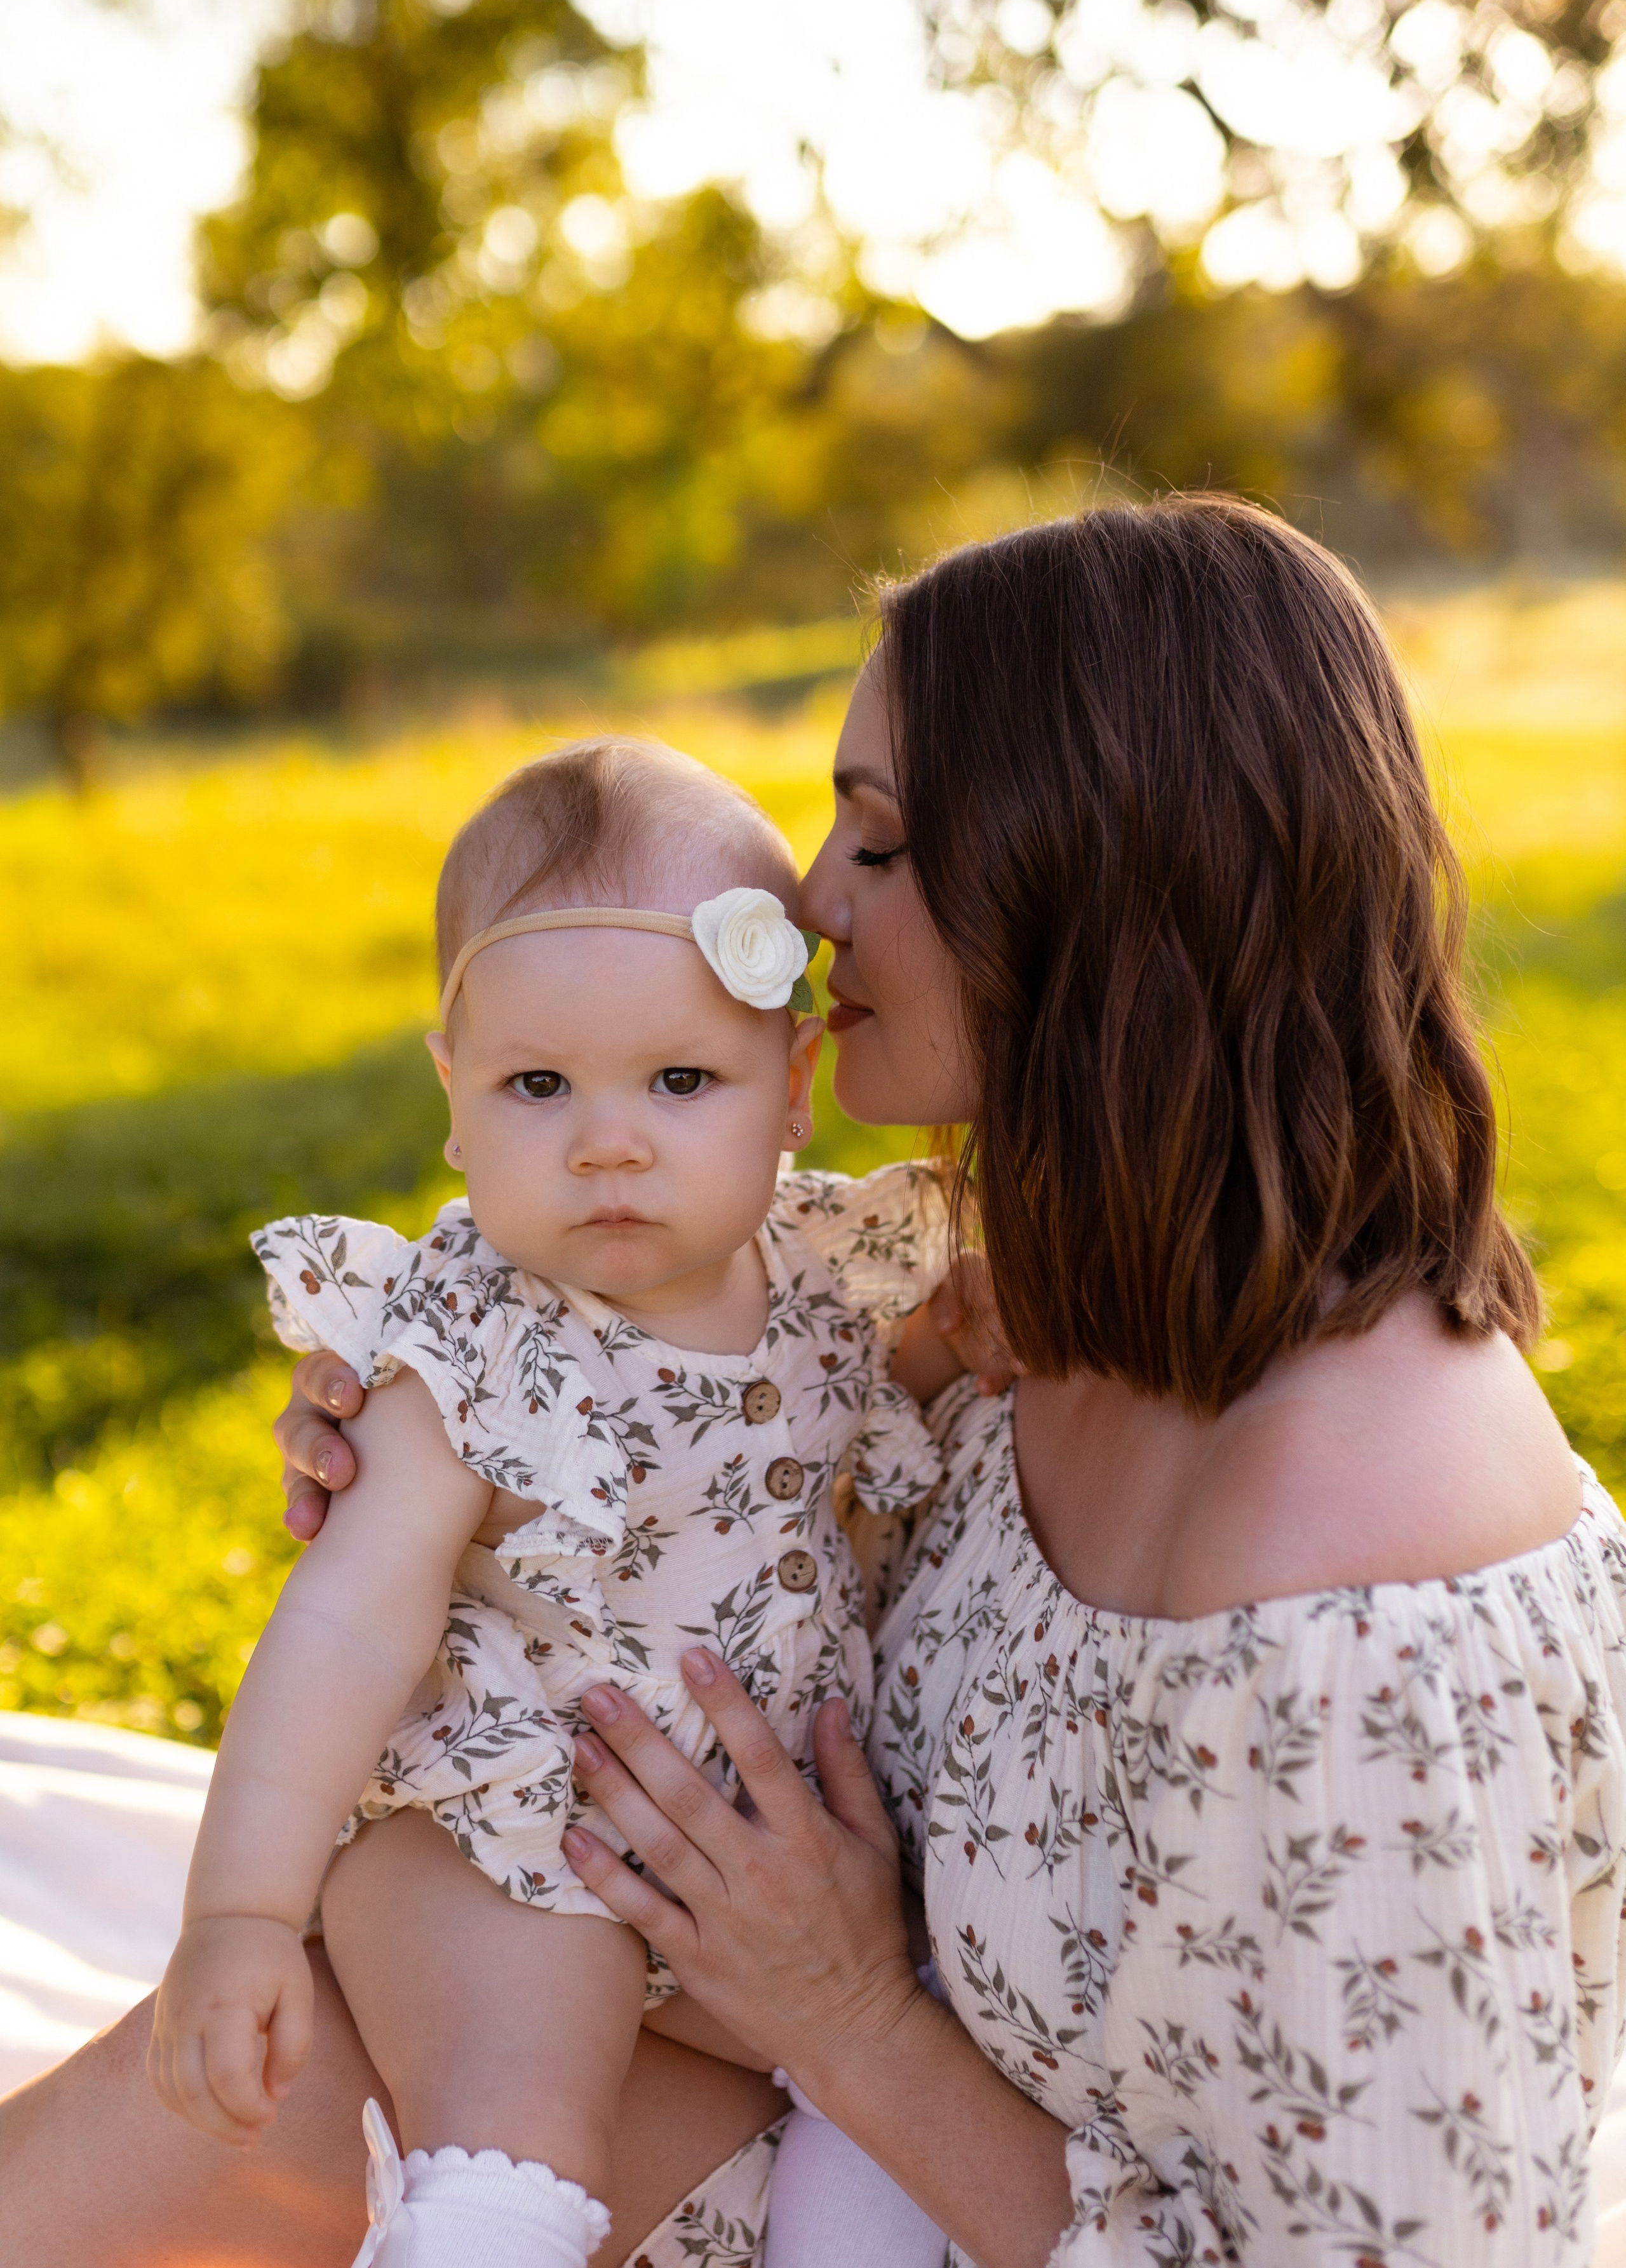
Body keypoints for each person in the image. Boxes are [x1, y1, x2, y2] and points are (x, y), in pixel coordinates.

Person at [1, 494, 1616, 2267]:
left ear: (1090, 880)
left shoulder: (1355, 1573)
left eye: (885, 840)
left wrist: (851, 2019)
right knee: (214, 2104)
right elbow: (733, 1483)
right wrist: (483, 1444)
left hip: (895, 2155)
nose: (810, 902)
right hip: (729, 2048)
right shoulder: (1013, 1305)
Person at [146, 737, 954, 2268]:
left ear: (789, 1087)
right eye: (537, 1084)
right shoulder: (469, 1335)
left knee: (891, 2123)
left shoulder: (834, 1276)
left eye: (677, 1078)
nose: (607, 1140)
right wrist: (242, 1910)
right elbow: (344, 1623)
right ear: (452, 1099)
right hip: (506, 1835)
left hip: (754, 1865)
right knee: (519, 2126)